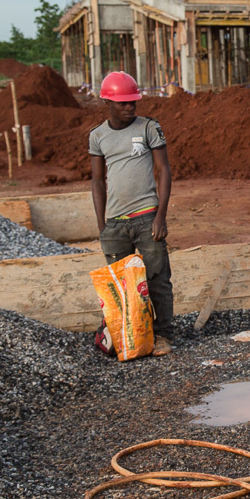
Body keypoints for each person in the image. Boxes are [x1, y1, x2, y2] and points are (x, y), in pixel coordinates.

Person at [90, 71, 175, 356]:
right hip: (115, 224)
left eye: (133, 102)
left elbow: (163, 170)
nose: (130, 107)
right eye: (123, 103)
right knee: (121, 286)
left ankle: (163, 335)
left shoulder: (149, 128)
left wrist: (160, 216)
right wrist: (103, 225)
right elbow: (97, 181)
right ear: (108, 103)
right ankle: (130, 333)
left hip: (147, 218)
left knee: (157, 280)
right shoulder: (98, 136)